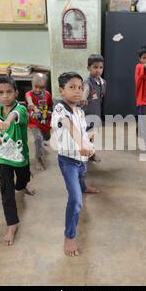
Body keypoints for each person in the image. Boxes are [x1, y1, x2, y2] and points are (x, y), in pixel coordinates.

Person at [51, 71, 100, 257]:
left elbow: (80, 129)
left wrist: (88, 139)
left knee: (83, 175)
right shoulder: (59, 110)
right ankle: (69, 235)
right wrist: (81, 143)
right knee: (76, 201)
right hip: (68, 161)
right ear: (61, 90)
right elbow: (68, 126)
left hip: (81, 159)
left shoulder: (79, 110)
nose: (78, 91)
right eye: (72, 87)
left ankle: (84, 186)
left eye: (80, 88)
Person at [0, 76, 35, 246]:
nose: (5, 96)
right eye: (1, 92)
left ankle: (23, 184)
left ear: (16, 93)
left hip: (20, 157)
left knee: (21, 181)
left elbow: (14, 116)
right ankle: (12, 224)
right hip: (4, 158)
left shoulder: (21, 109)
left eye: (9, 92)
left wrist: (8, 121)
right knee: (7, 191)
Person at [81, 54, 106, 163]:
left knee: (92, 135)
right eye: (95, 67)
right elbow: (86, 90)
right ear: (88, 68)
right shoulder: (88, 82)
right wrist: (83, 97)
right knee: (83, 135)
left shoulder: (103, 82)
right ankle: (83, 154)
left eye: (100, 67)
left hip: (96, 114)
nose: (98, 70)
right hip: (86, 115)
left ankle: (91, 153)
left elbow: (100, 97)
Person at [26, 73, 53, 170]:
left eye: (41, 87)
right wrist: (30, 104)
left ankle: (43, 142)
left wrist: (50, 111)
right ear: (32, 84)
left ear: (45, 86)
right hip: (34, 123)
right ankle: (38, 158)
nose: (37, 89)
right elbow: (29, 99)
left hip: (45, 122)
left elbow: (50, 105)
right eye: (35, 86)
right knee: (38, 138)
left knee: (47, 137)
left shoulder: (47, 95)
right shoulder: (29, 94)